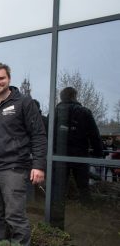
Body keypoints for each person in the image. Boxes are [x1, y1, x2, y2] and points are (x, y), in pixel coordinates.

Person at [0, 63, 46, 245]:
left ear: (9, 79)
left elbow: (38, 134)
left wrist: (38, 165)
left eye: (2, 78)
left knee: (15, 216)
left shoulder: (24, 103)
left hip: (13, 169)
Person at [51, 87, 103, 229]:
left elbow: (49, 134)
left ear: (62, 97)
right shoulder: (84, 112)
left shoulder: (55, 112)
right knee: (83, 187)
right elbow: (94, 134)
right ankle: (89, 215)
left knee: (59, 186)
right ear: (74, 96)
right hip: (80, 155)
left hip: (60, 156)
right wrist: (99, 154)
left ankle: (56, 215)